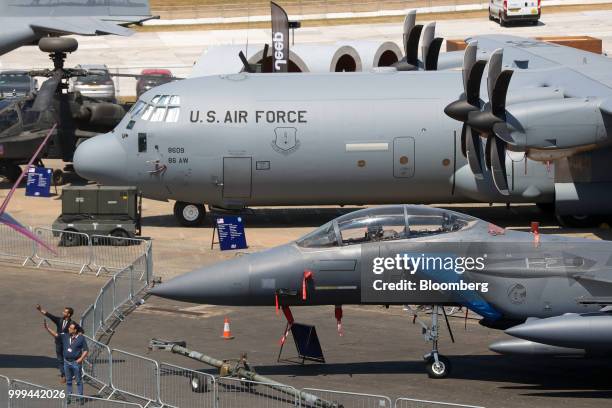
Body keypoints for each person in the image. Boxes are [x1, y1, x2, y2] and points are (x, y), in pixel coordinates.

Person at [44, 320, 88, 403]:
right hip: (67, 362)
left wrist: (81, 359)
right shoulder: (65, 336)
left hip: (76, 363)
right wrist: (47, 328)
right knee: (68, 381)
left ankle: (81, 396)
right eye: (69, 328)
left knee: (78, 380)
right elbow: (56, 335)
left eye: (71, 328)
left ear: (75, 330)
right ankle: (69, 396)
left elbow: (86, 350)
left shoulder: (81, 338)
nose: (69, 329)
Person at [36, 304, 74, 383]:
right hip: (58, 343)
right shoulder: (59, 320)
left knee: (67, 358)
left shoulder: (72, 324)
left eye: (65, 312)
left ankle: (70, 373)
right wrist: (40, 309)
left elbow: (79, 331)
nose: (63, 312)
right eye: (63, 311)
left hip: (67, 343)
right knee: (60, 359)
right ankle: (64, 375)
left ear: (69, 314)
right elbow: (49, 315)